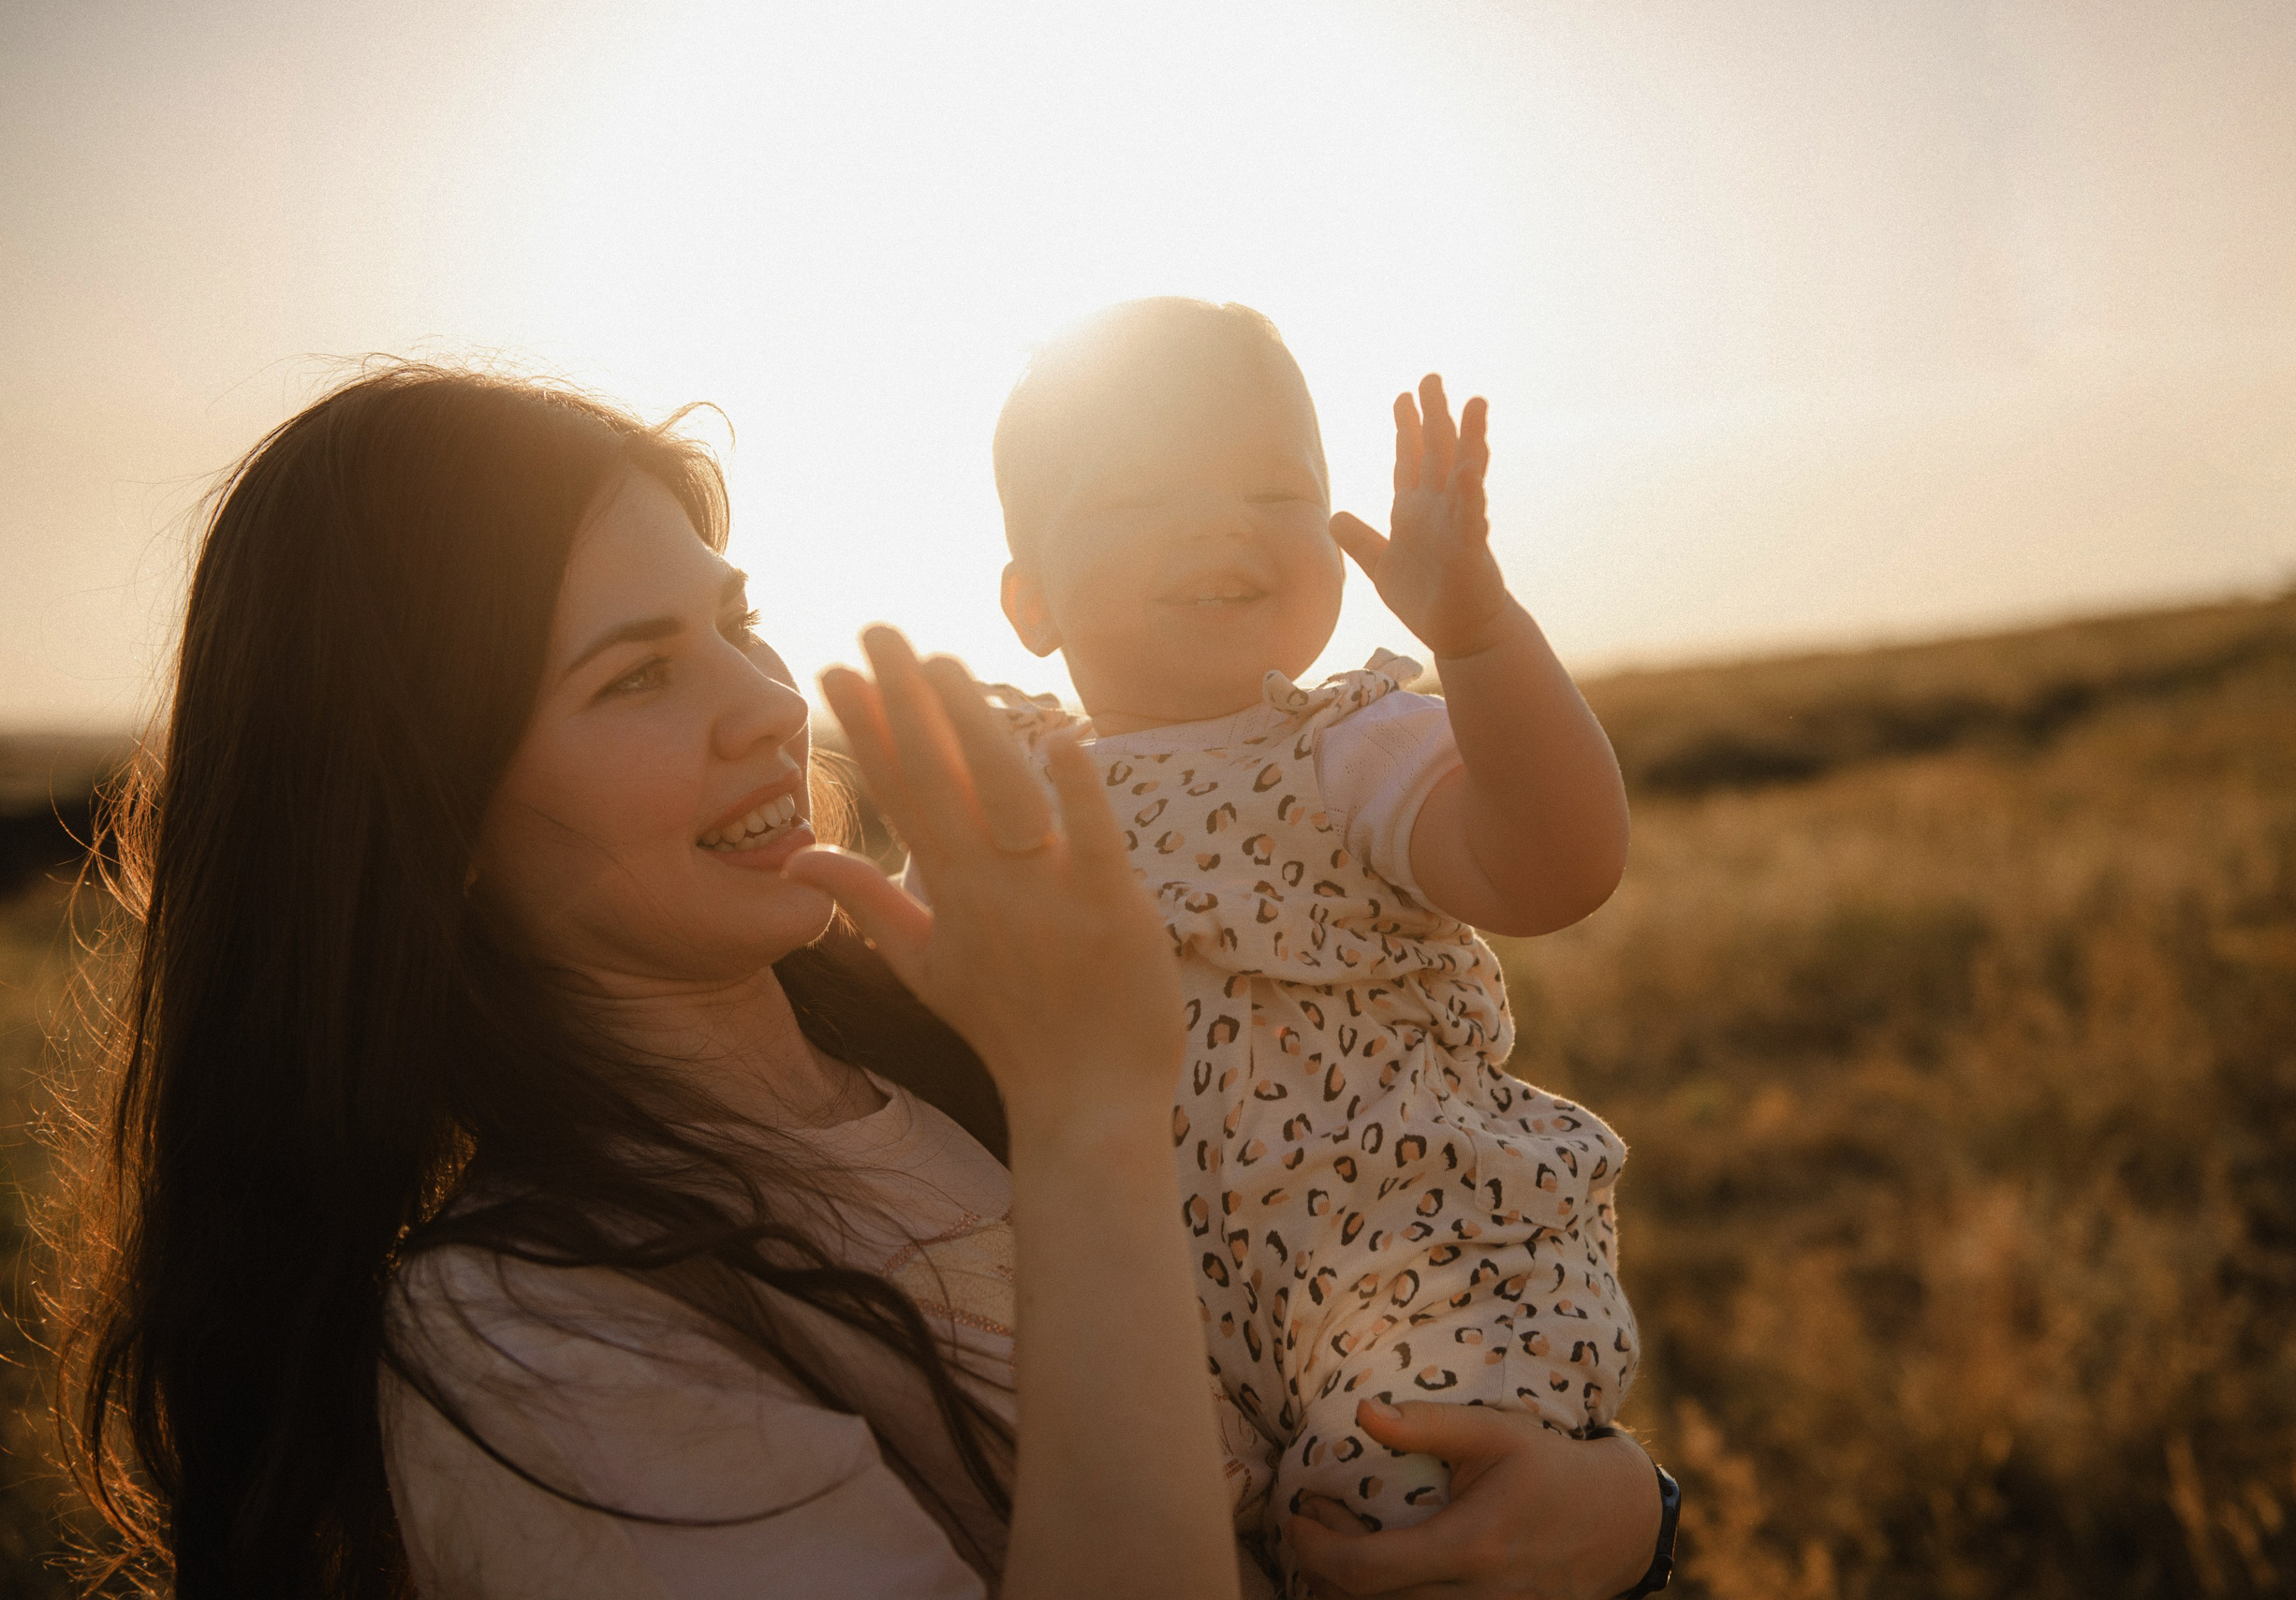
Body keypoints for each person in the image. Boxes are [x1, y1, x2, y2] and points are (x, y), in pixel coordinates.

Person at [56, 362, 1669, 1600]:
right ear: (428, 814)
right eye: (636, 674)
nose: (764, 707)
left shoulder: (943, 1031)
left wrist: (1620, 1516)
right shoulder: (531, 1336)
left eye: (737, 625)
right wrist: (1090, 1111)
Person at [975, 299, 1641, 1582]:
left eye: (1274, 488)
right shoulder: (1016, 791)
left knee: (1404, 1525)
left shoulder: (1347, 748)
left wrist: (1480, 632)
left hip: (1416, 1260)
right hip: (1163, 1306)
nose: (1218, 524)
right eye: (1135, 499)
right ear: (1029, 601)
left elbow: (1557, 860)